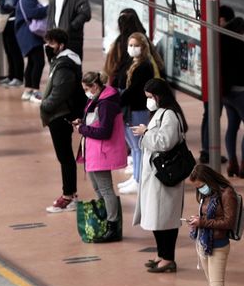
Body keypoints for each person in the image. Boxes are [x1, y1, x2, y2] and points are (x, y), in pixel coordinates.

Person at [135, 78, 187, 273]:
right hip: (157, 174)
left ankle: (168, 258)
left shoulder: (170, 115)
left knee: (166, 218)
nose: (148, 101)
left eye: (150, 97)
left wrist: (145, 131)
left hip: (165, 175)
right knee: (157, 217)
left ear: (159, 96)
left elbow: (165, 142)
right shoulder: (161, 113)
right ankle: (161, 254)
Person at [186, 164, 238, 286]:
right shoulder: (206, 195)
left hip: (218, 245)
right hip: (204, 243)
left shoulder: (227, 194)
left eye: (200, 185)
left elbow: (228, 222)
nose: (199, 189)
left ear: (209, 180)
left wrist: (203, 222)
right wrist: (197, 221)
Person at [76, 70, 126, 241]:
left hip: (102, 151)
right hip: (93, 150)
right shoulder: (97, 99)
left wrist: (82, 129)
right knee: (98, 189)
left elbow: (104, 131)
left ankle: (112, 225)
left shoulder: (106, 103)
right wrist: (82, 124)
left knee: (105, 189)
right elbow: (94, 122)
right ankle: (105, 220)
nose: (85, 92)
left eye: (86, 88)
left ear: (95, 86)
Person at [40, 29, 85, 213]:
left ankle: (68, 196)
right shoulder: (62, 61)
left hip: (60, 115)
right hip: (59, 113)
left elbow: (59, 92)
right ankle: (70, 194)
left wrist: (46, 106)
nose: (47, 47)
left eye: (51, 44)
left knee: (65, 157)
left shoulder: (64, 66)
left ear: (61, 45)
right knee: (65, 156)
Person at [214, 6, 244, 178]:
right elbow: (239, 67)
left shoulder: (220, 39)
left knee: (232, 126)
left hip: (225, 92)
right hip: (239, 91)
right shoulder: (236, 42)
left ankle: (232, 163)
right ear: (240, 31)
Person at [117, 31, 161, 195]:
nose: (132, 48)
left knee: (138, 146)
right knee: (133, 146)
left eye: (136, 45)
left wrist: (119, 99)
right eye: (130, 45)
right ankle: (135, 177)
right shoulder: (130, 62)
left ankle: (139, 179)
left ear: (143, 47)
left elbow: (135, 89)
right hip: (128, 107)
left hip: (137, 108)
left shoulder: (145, 66)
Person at [13, 0, 49, 101]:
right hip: (29, 35)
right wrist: (48, 8)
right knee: (38, 62)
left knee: (32, 62)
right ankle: (35, 91)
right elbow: (33, 13)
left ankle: (28, 90)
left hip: (25, 34)